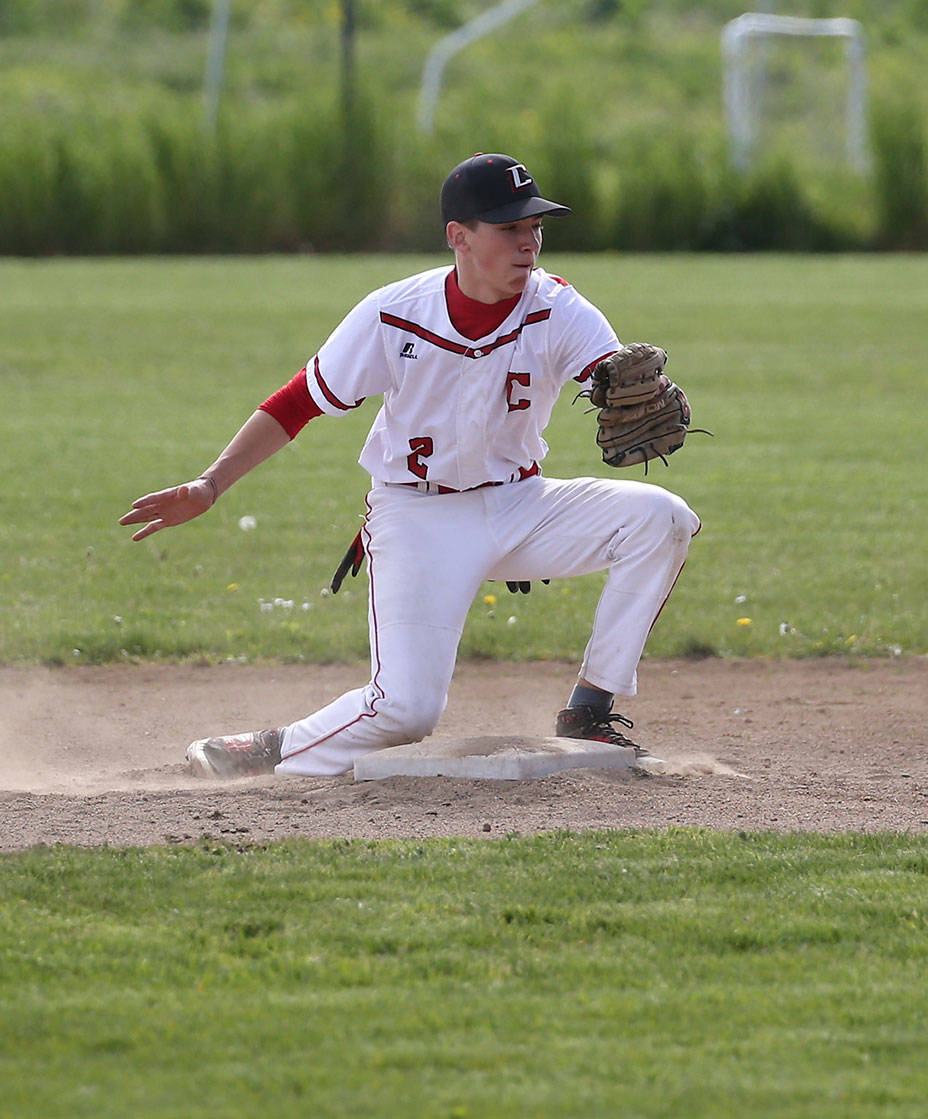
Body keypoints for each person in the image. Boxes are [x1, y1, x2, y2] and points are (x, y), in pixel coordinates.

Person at [121, 153, 702, 778]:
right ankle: (263, 749)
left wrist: (617, 386)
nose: (529, 240)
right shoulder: (394, 312)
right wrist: (211, 485)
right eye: (509, 227)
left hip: (520, 505)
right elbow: (297, 404)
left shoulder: (559, 308)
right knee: (406, 710)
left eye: (535, 225)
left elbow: (609, 373)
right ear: (459, 236)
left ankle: (589, 710)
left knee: (662, 519)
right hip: (418, 517)